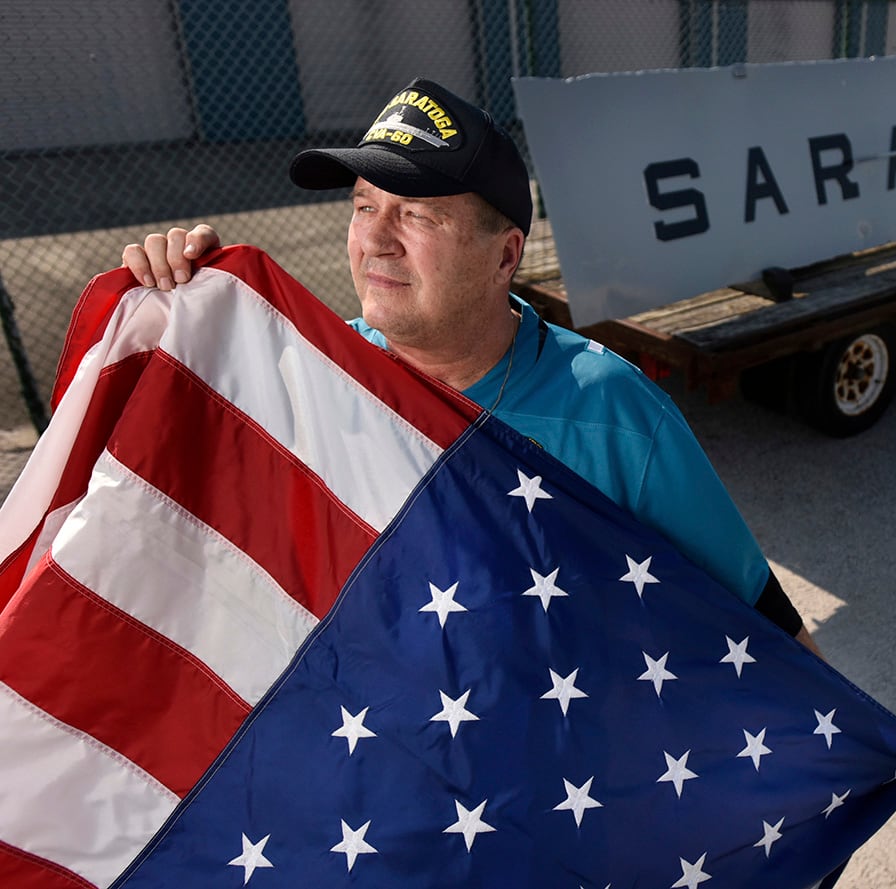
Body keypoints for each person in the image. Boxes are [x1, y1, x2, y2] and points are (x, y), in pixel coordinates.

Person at [122, 77, 821, 657]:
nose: (376, 241)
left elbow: (762, 616)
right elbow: (166, 504)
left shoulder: (612, 413)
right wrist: (182, 318)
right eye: (365, 206)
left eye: (418, 216)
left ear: (505, 255)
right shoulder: (310, 373)